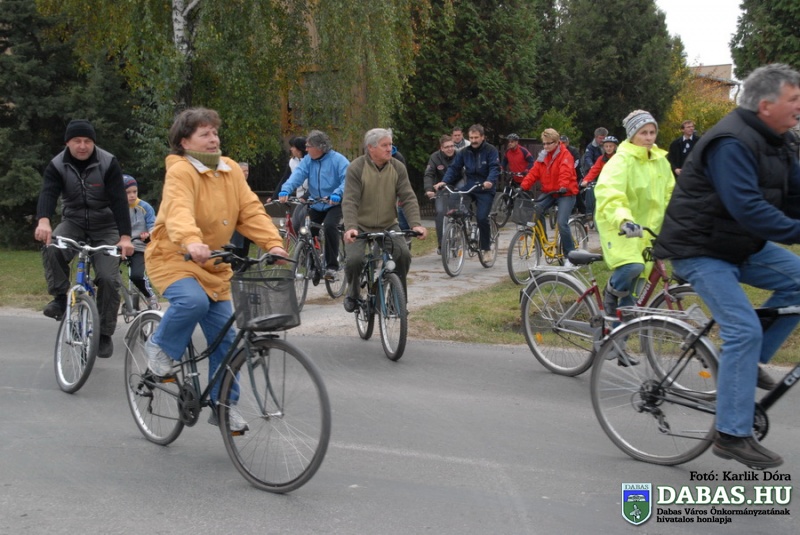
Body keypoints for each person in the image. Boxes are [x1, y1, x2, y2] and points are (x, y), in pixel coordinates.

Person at [653, 64, 800, 469]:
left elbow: (795, 194)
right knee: (742, 328)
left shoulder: (780, 140)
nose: (799, 107)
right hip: (700, 248)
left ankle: (747, 361)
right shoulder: (731, 142)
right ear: (766, 105)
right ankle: (732, 434)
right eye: (793, 99)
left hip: (739, 244)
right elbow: (748, 208)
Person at [143, 107, 288, 432]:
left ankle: (223, 406)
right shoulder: (181, 171)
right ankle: (159, 347)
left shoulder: (230, 169)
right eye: (204, 134)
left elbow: (250, 210)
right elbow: (179, 210)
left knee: (227, 338)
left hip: (214, 264)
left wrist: (273, 244)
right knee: (192, 302)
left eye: (215, 133)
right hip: (175, 256)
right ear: (185, 141)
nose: (213, 139)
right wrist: (192, 241)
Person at [34, 119, 134, 359]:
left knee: (108, 278)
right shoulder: (57, 165)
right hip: (74, 222)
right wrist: (43, 221)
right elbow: (48, 192)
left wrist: (125, 237)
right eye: (77, 141)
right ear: (67, 143)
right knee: (52, 246)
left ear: (93, 143)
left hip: (106, 225)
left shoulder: (108, 162)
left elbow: (120, 201)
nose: (82, 146)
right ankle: (60, 298)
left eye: (87, 141)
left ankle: (104, 333)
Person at [594, 112, 673, 319]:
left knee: (634, 299)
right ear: (632, 135)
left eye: (652, 132)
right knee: (633, 265)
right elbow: (610, 193)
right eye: (643, 133)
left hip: (647, 232)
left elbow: (670, 196)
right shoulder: (621, 160)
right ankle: (611, 290)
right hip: (620, 226)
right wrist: (624, 221)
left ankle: (617, 335)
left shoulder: (661, 162)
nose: (649, 137)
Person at [342, 128, 428, 313]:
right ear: (371, 148)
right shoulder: (356, 167)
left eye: (391, 145)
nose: (390, 149)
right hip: (360, 225)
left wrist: (415, 224)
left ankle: (396, 301)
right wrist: (350, 227)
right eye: (385, 145)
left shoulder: (398, 167)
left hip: (388, 224)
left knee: (403, 255)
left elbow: (408, 197)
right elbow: (350, 200)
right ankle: (353, 293)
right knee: (354, 260)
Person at [278, 130, 349, 280]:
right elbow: (297, 176)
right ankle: (312, 264)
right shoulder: (308, 161)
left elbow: (347, 179)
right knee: (305, 230)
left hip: (334, 203)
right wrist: (285, 190)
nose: (306, 149)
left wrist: (337, 193)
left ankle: (332, 267)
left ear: (319, 147)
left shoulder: (338, 160)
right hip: (316, 203)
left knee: (329, 226)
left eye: (308, 146)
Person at [435, 124, 499, 257]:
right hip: (470, 187)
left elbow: (494, 167)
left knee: (482, 218)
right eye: (471, 138)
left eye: (476, 137)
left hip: (485, 189)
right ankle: (461, 230)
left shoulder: (490, 150)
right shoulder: (464, 152)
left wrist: (489, 181)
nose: (474, 140)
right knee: (456, 205)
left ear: (482, 137)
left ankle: (486, 248)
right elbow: (454, 168)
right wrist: (444, 181)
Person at [519, 128, 579, 261]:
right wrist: (523, 186)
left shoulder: (565, 155)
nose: (545, 146)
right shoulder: (543, 156)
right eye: (544, 143)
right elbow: (534, 172)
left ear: (557, 142)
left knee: (562, 223)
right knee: (536, 210)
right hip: (550, 192)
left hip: (566, 193)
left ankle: (570, 256)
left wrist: (563, 185)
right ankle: (542, 240)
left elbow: (565, 171)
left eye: (548, 143)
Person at [124, 174, 159, 309]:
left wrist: (148, 235)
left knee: (137, 275)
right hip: (121, 247)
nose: (132, 195)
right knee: (107, 275)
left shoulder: (145, 207)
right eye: (128, 192)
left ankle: (150, 296)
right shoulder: (116, 208)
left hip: (139, 247)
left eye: (135, 191)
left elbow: (153, 227)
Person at [423, 135, 457, 253]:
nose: (450, 149)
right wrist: (429, 189)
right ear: (441, 148)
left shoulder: (459, 156)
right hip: (442, 188)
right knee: (440, 212)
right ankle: (442, 244)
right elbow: (429, 174)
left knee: (460, 211)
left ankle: (461, 234)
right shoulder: (435, 157)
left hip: (458, 187)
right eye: (447, 147)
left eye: (452, 146)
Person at [580, 136, 619, 222]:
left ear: (615, 147)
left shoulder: (619, 158)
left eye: (611, 146)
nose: (608, 148)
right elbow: (594, 170)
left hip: (617, 184)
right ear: (603, 147)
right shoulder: (601, 159)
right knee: (590, 189)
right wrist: (586, 180)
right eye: (606, 146)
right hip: (605, 183)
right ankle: (589, 213)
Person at [229, 162, 253, 258]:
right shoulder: (233, 184)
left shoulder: (245, 185)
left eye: (247, 171)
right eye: (244, 171)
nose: (246, 173)